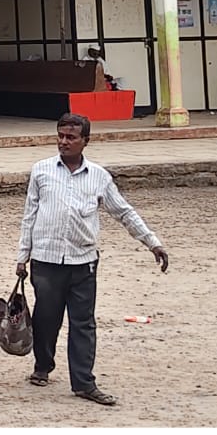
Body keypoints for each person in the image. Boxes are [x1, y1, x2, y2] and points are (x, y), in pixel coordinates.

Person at [16, 113, 169, 406]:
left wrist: (152, 242)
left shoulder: (99, 177)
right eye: (61, 136)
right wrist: (22, 257)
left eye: (71, 137)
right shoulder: (41, 171)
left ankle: (84, 383)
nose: (64, 142)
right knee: (46, 318)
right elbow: (29, 215)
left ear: (85, 141)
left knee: (83, 323)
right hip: (46, 260)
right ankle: (43, 365)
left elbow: (123, 212)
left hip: (83, 261)